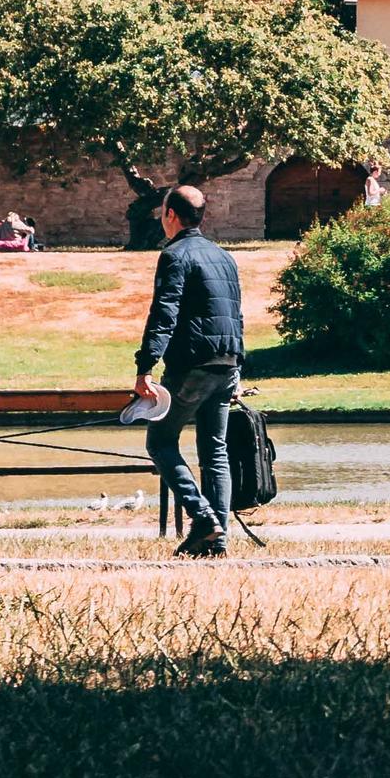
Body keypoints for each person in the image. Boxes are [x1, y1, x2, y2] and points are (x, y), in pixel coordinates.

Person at [135, 184, 246, 558]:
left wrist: (145, 367)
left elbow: (164, 314)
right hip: (227, 360)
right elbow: (235, 315)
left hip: (192, 363)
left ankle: (203, 519)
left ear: (170, 215)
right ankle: (219, 538)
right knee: (215, 451)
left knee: (160, 442)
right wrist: (238, 366)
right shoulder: (224, 257)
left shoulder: (175, 256)